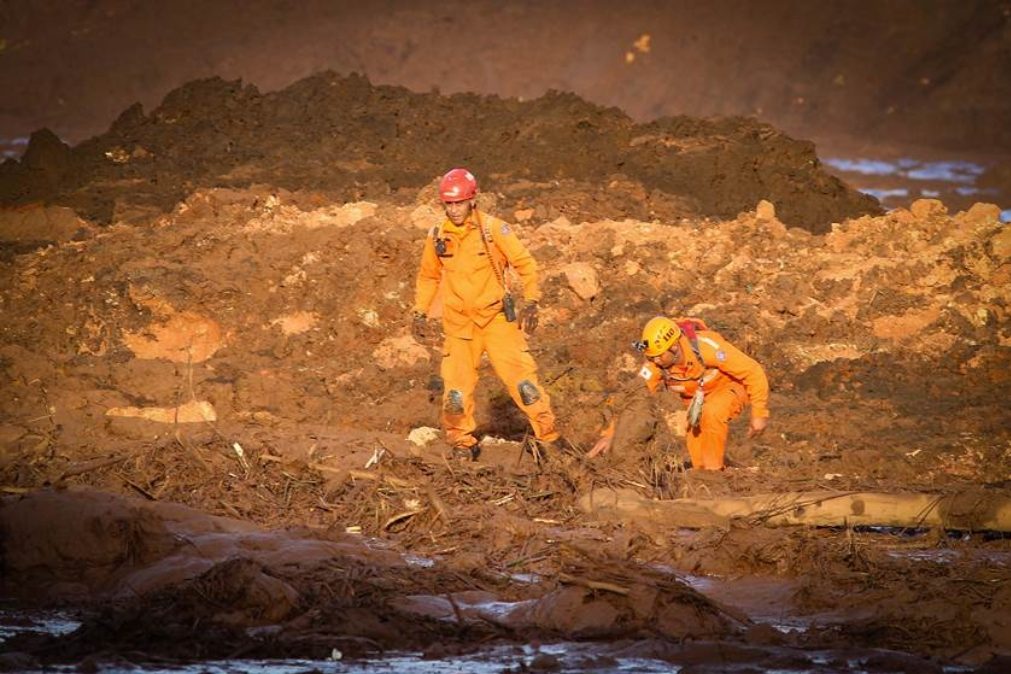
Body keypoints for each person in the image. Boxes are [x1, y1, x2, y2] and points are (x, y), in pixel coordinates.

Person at [411, 168, 560, 460]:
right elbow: (428, 276)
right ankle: (461, 442)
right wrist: (419, 311)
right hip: (459, 326)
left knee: (524, 384)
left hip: (496, 322)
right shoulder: (438, 236)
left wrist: (532, 301)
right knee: (455, 393)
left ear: (472, 200)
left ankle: (549, 438)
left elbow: (525, 265)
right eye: (449, 204)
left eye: (460, 203)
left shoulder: (494, 230)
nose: (454, 210)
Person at [588, 316, 769, 470]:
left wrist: (759, 413)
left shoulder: (707, 348)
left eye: (659, 356)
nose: (656, 361)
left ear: (674, 347)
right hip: (697, 400)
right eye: (651, 357)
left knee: (712, 413)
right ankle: (703, 473)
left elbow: (752, 371)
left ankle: (714, 475)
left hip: (729, 388)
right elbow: (634, 397)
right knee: (694, 433)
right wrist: (611, 433)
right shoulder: (656, 364)